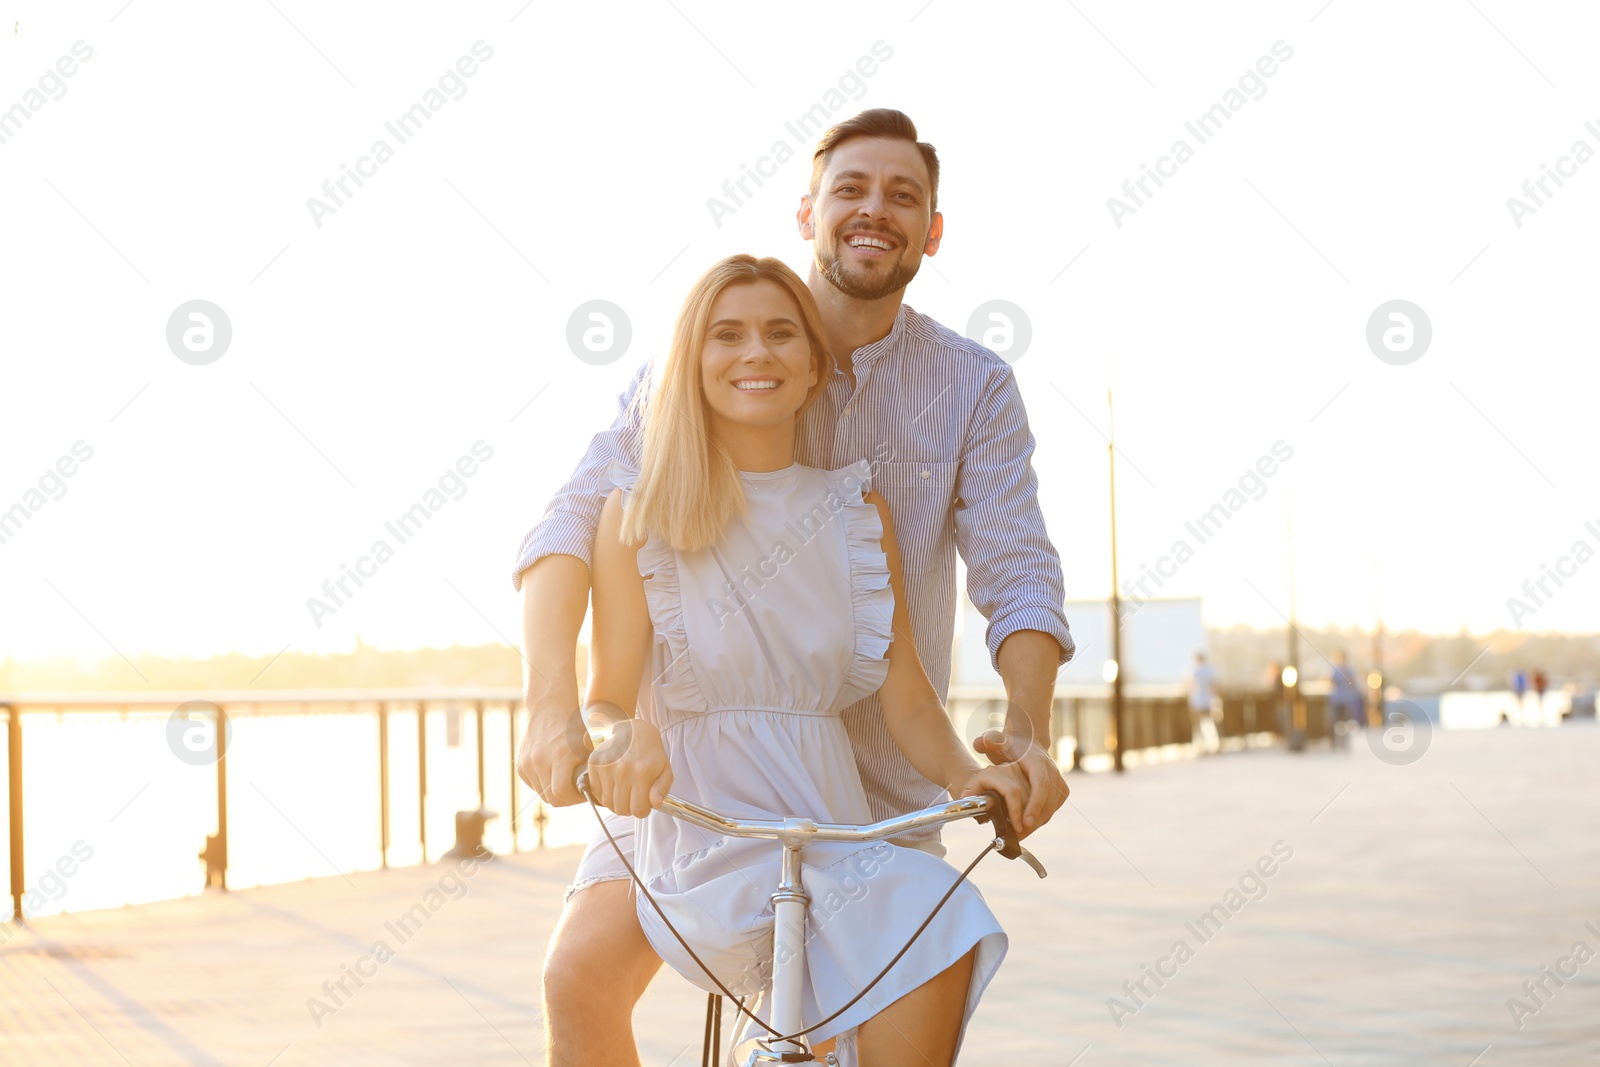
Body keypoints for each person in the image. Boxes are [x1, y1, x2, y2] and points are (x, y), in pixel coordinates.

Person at [513, 109, 1074, 1066]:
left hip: (873, 792)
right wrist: (561, 710)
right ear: (807, 211)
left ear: (932, 230)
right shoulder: (691, 383)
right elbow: (569, 525)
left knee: (858, 1007)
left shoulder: (966, 393)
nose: (876, 210)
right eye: (852, 188)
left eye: (905, 196)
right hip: (685, 783)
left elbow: (1017, 572)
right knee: (578, 977)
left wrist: (1018, 735)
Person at [582, 254, 1020, 1065]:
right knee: (574, 977)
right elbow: (605, 694)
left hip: (816, 809)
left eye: (782, 333)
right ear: (693, 360)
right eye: (728, 334)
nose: (757, 352)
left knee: (936, 920)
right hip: (682, 808)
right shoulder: (636, 511)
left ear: (815, 367)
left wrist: (969, 777)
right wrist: (616, 736)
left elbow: (908, 698)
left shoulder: (855, 510)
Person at [1186, 651, 1220, 755]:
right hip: (1208, 701)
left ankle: (1199, 747)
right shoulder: (1209, 671)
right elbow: (1214, 686)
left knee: (1197, 725)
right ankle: (1213, 745)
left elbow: (1190, 686)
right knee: (1209, 723)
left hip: (1196, 702)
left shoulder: (1194, 671)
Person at [1328, 651, 1361, 749]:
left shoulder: (1335, 670)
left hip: (1338, 699)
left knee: (1338, 721)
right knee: (1345, 721)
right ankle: (1344, 743)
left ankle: (1339, 742)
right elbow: (1354, 684)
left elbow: (1330, 682)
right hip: (1347, 699)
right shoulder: (1350, 670)